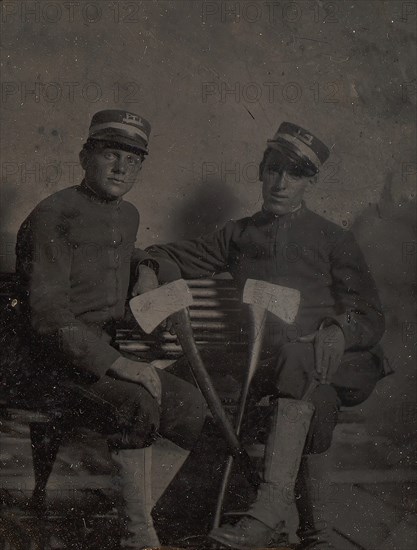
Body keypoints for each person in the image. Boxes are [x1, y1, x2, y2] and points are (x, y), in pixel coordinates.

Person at [146, 122, 386, 549]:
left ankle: (268, 511)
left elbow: (368, 314)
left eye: (293, 174)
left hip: (342, 360)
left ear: (310, 182)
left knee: (302, 366)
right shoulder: (238, 235)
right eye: (273, 170)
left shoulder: (334, 237)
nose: (280, 183)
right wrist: (148, 271)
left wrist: (338, 329)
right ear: (260, 172)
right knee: (314, 398)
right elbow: (168, 255)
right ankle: (316, 535)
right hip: (286, 371)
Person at [12, 110, 207, 550]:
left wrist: (147, 267)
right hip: (50, 364)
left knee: (191, 405)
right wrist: (119, 364)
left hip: (97, 356)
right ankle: (136, 536)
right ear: (85, 156)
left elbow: (121, 250)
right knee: (137, 405)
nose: (122, 168)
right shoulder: (53, 215)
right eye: (111, 154)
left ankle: (156, 517)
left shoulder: (128, 213)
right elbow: (47, 318)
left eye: (134, 160)